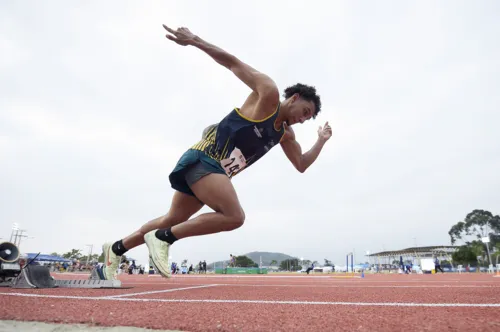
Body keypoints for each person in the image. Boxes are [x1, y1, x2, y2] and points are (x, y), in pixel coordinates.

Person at [101, 24, 332, 280]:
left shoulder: (285, 135)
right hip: (205, 158)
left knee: (172, 217)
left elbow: (300, 163)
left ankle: (115, 249)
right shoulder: (268, 93)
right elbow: (232, 63)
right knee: (234, 217)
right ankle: (163, 239)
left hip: (213, 173)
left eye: (308, 118)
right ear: (295, 98)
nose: (303, 119)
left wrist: (321, 140)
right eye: (305, 112)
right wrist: (195, 40)